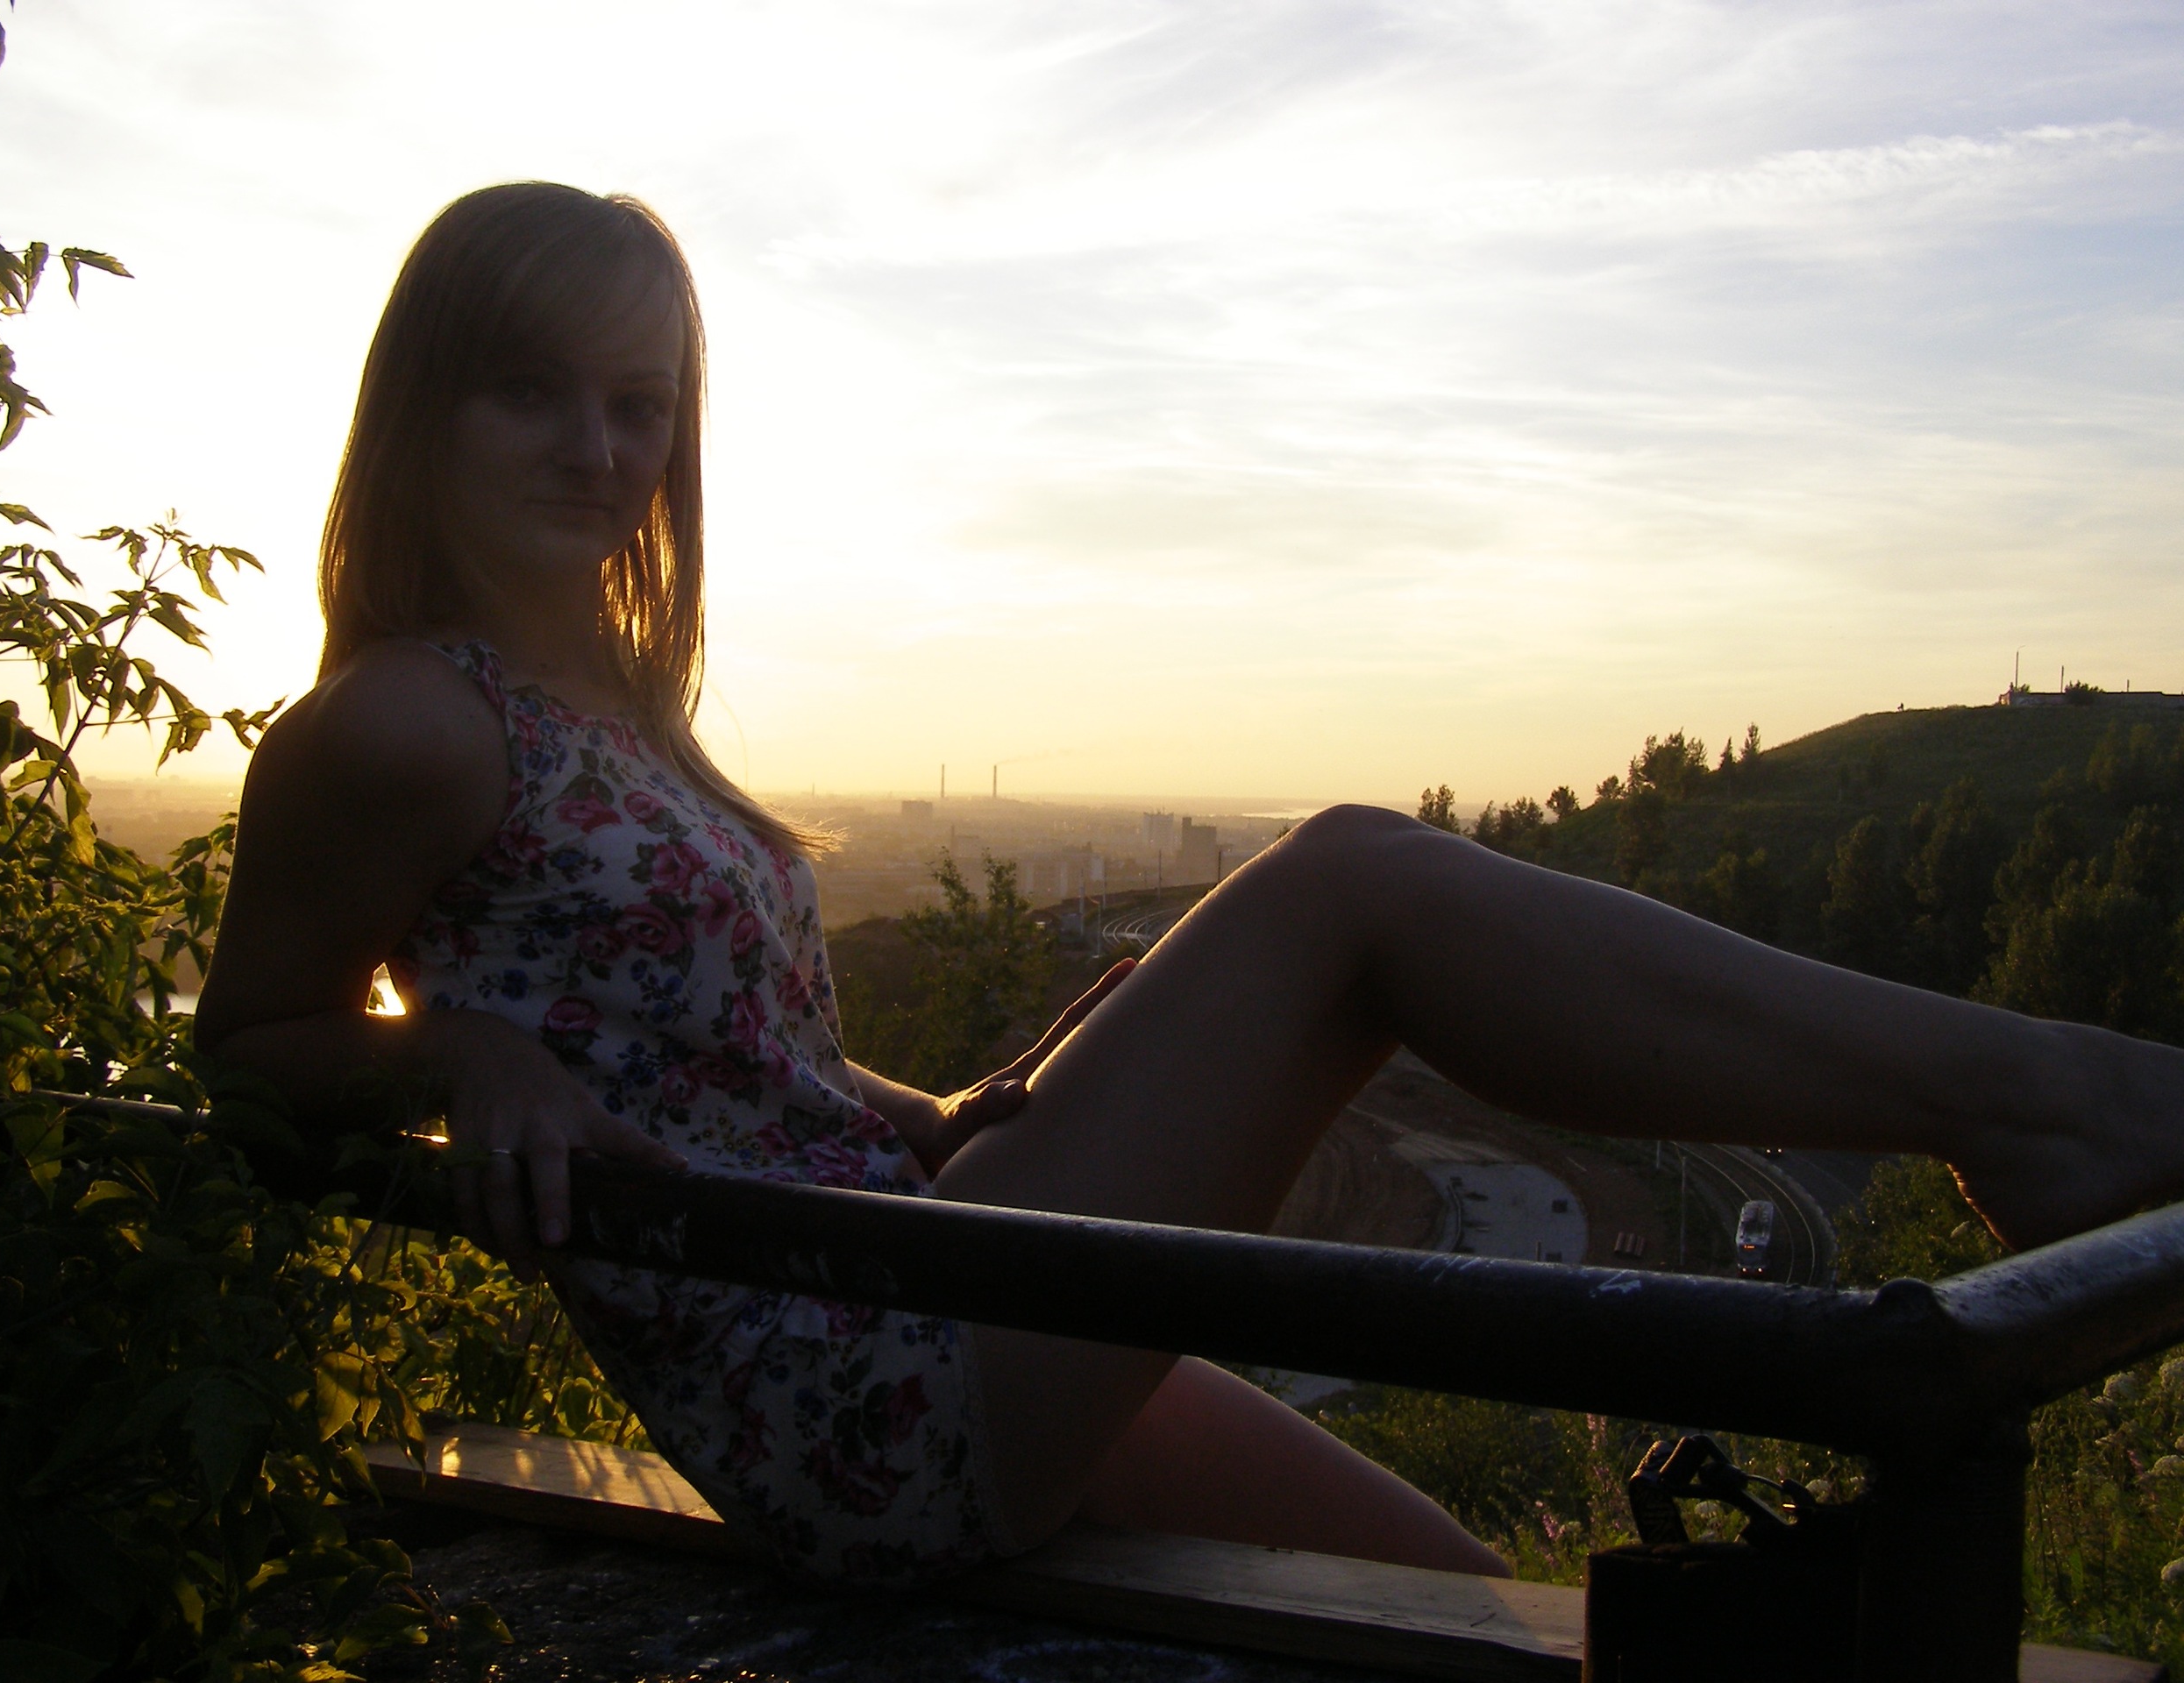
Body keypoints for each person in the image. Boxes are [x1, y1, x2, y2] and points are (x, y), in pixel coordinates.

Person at [196, 181, 2184, 1589]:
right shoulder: (404, 723)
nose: (598, 446)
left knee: (1463, 1603)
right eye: (532, 390)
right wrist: (461, 1060)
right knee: (1350, 885)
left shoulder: (618, 707)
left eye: (638, 403)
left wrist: (945, 1110)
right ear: (424, 404)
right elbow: (249, 1048)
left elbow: (732, 1067)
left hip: (916, 1258)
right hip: (846, 1382)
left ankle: (2051, 1106)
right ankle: (2058, 1104)